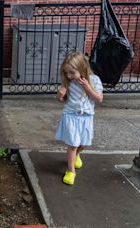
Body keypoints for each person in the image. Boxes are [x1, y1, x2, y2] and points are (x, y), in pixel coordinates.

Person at [55, 52, 103, 185]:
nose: (69, 76)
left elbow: (99, 99)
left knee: (84, 143)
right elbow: (62, 100)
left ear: (83, 68)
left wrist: (87, 86)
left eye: (72, 72)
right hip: (71, 115)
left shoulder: (94, 80)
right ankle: (71, 171)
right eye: (66, 73)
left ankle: (76, 154)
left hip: (86, 116)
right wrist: (60, 95)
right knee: (73, 145)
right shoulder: (68, 82)